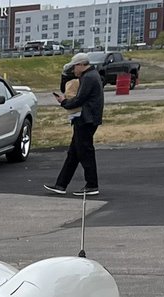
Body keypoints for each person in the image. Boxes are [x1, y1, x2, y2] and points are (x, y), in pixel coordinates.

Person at [44, 52, 104, 197]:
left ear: (81, 65)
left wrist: (64, 102)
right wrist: (65, 73)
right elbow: (67, 83)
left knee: (85, 152)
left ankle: (92, 185)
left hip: (86, 119)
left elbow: (79, 99)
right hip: (86, 118)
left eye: (74, 67)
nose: (73, 70)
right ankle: (61, 184)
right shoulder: (90, 75)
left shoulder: (89, 78)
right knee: (74, 153)